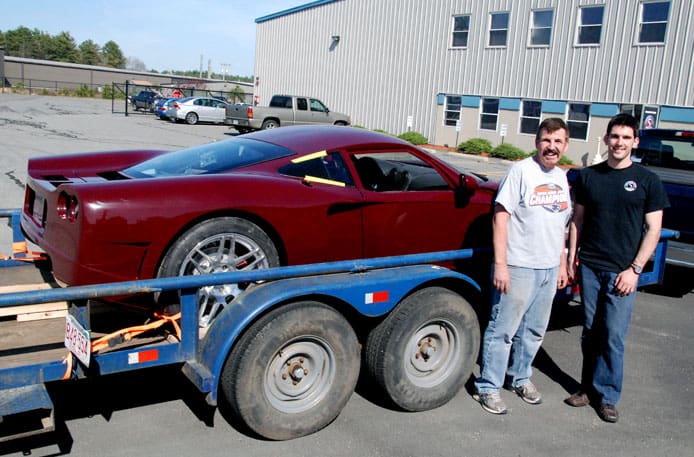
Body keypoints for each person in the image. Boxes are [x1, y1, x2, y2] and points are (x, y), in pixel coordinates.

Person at [565, 113, 668, 423]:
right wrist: (572, 258)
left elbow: (654, 229)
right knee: (591, 332)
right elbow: (578, 220)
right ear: (606, 139)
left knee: (612, 335)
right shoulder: (589, 177)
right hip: (591, 266)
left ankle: (608, 396)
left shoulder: (647, 181)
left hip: (622, 270)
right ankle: (587, 389)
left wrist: (635, 269)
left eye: (626, 137)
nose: (619, 142)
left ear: (635, 142)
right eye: (615, 136)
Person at [473, 118, 572, 414]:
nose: (551, 147)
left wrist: (563, 262)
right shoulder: (520, 171)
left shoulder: (562, 176)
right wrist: (501, 264)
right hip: (518, 266)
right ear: (537, 142)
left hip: (549, 267)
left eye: (557, 142)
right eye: (546, 140)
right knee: (502, 330)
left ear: (565, 145)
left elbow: (562, 224)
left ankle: (520, 377)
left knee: (533, 331)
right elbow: (500, 218)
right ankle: (488, 387)